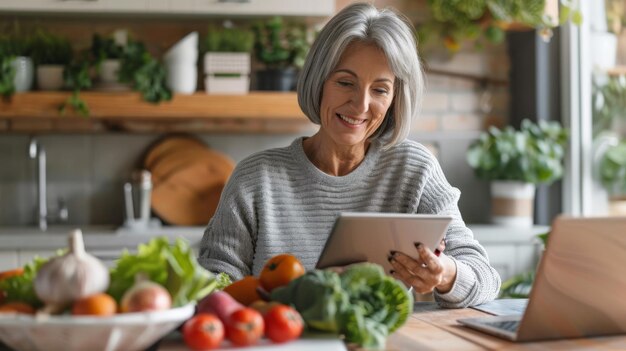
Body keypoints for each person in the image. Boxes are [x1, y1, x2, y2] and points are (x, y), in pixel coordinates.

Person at [198, 2, 500, 308]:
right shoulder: (255, 178)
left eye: (380, 90)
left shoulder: (414, 170)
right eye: (345, 83)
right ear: (319, 83)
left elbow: (486, 279)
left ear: (395, 98)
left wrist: (446, 274)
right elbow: (213, 285)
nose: (360, 105)